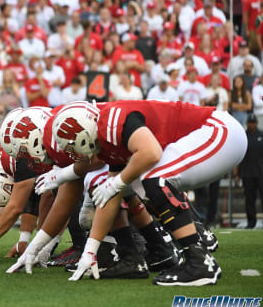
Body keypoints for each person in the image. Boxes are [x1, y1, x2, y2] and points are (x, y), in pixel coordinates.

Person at [46, 100, 246, 286]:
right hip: (212, 134)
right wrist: (91, 250)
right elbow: (113, 197)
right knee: (142, 185)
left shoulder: (111, 120)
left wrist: (117, 182)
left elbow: (151, 153)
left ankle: (200, 261)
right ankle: (187, 252)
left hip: (218, 130)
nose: (75, 155)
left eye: (73, 146)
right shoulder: (106, 136)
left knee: (154, 179)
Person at [236, 115, 263, 228]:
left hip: (261, 173)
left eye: (253, 122)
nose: (251, 124)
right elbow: (238, 156)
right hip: (247, 173)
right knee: (249, 199)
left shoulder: (262, 135)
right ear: (247, 123)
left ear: (256, 123)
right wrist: (236, 174)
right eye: (250, 122)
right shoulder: (243, 136)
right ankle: (251, 222)